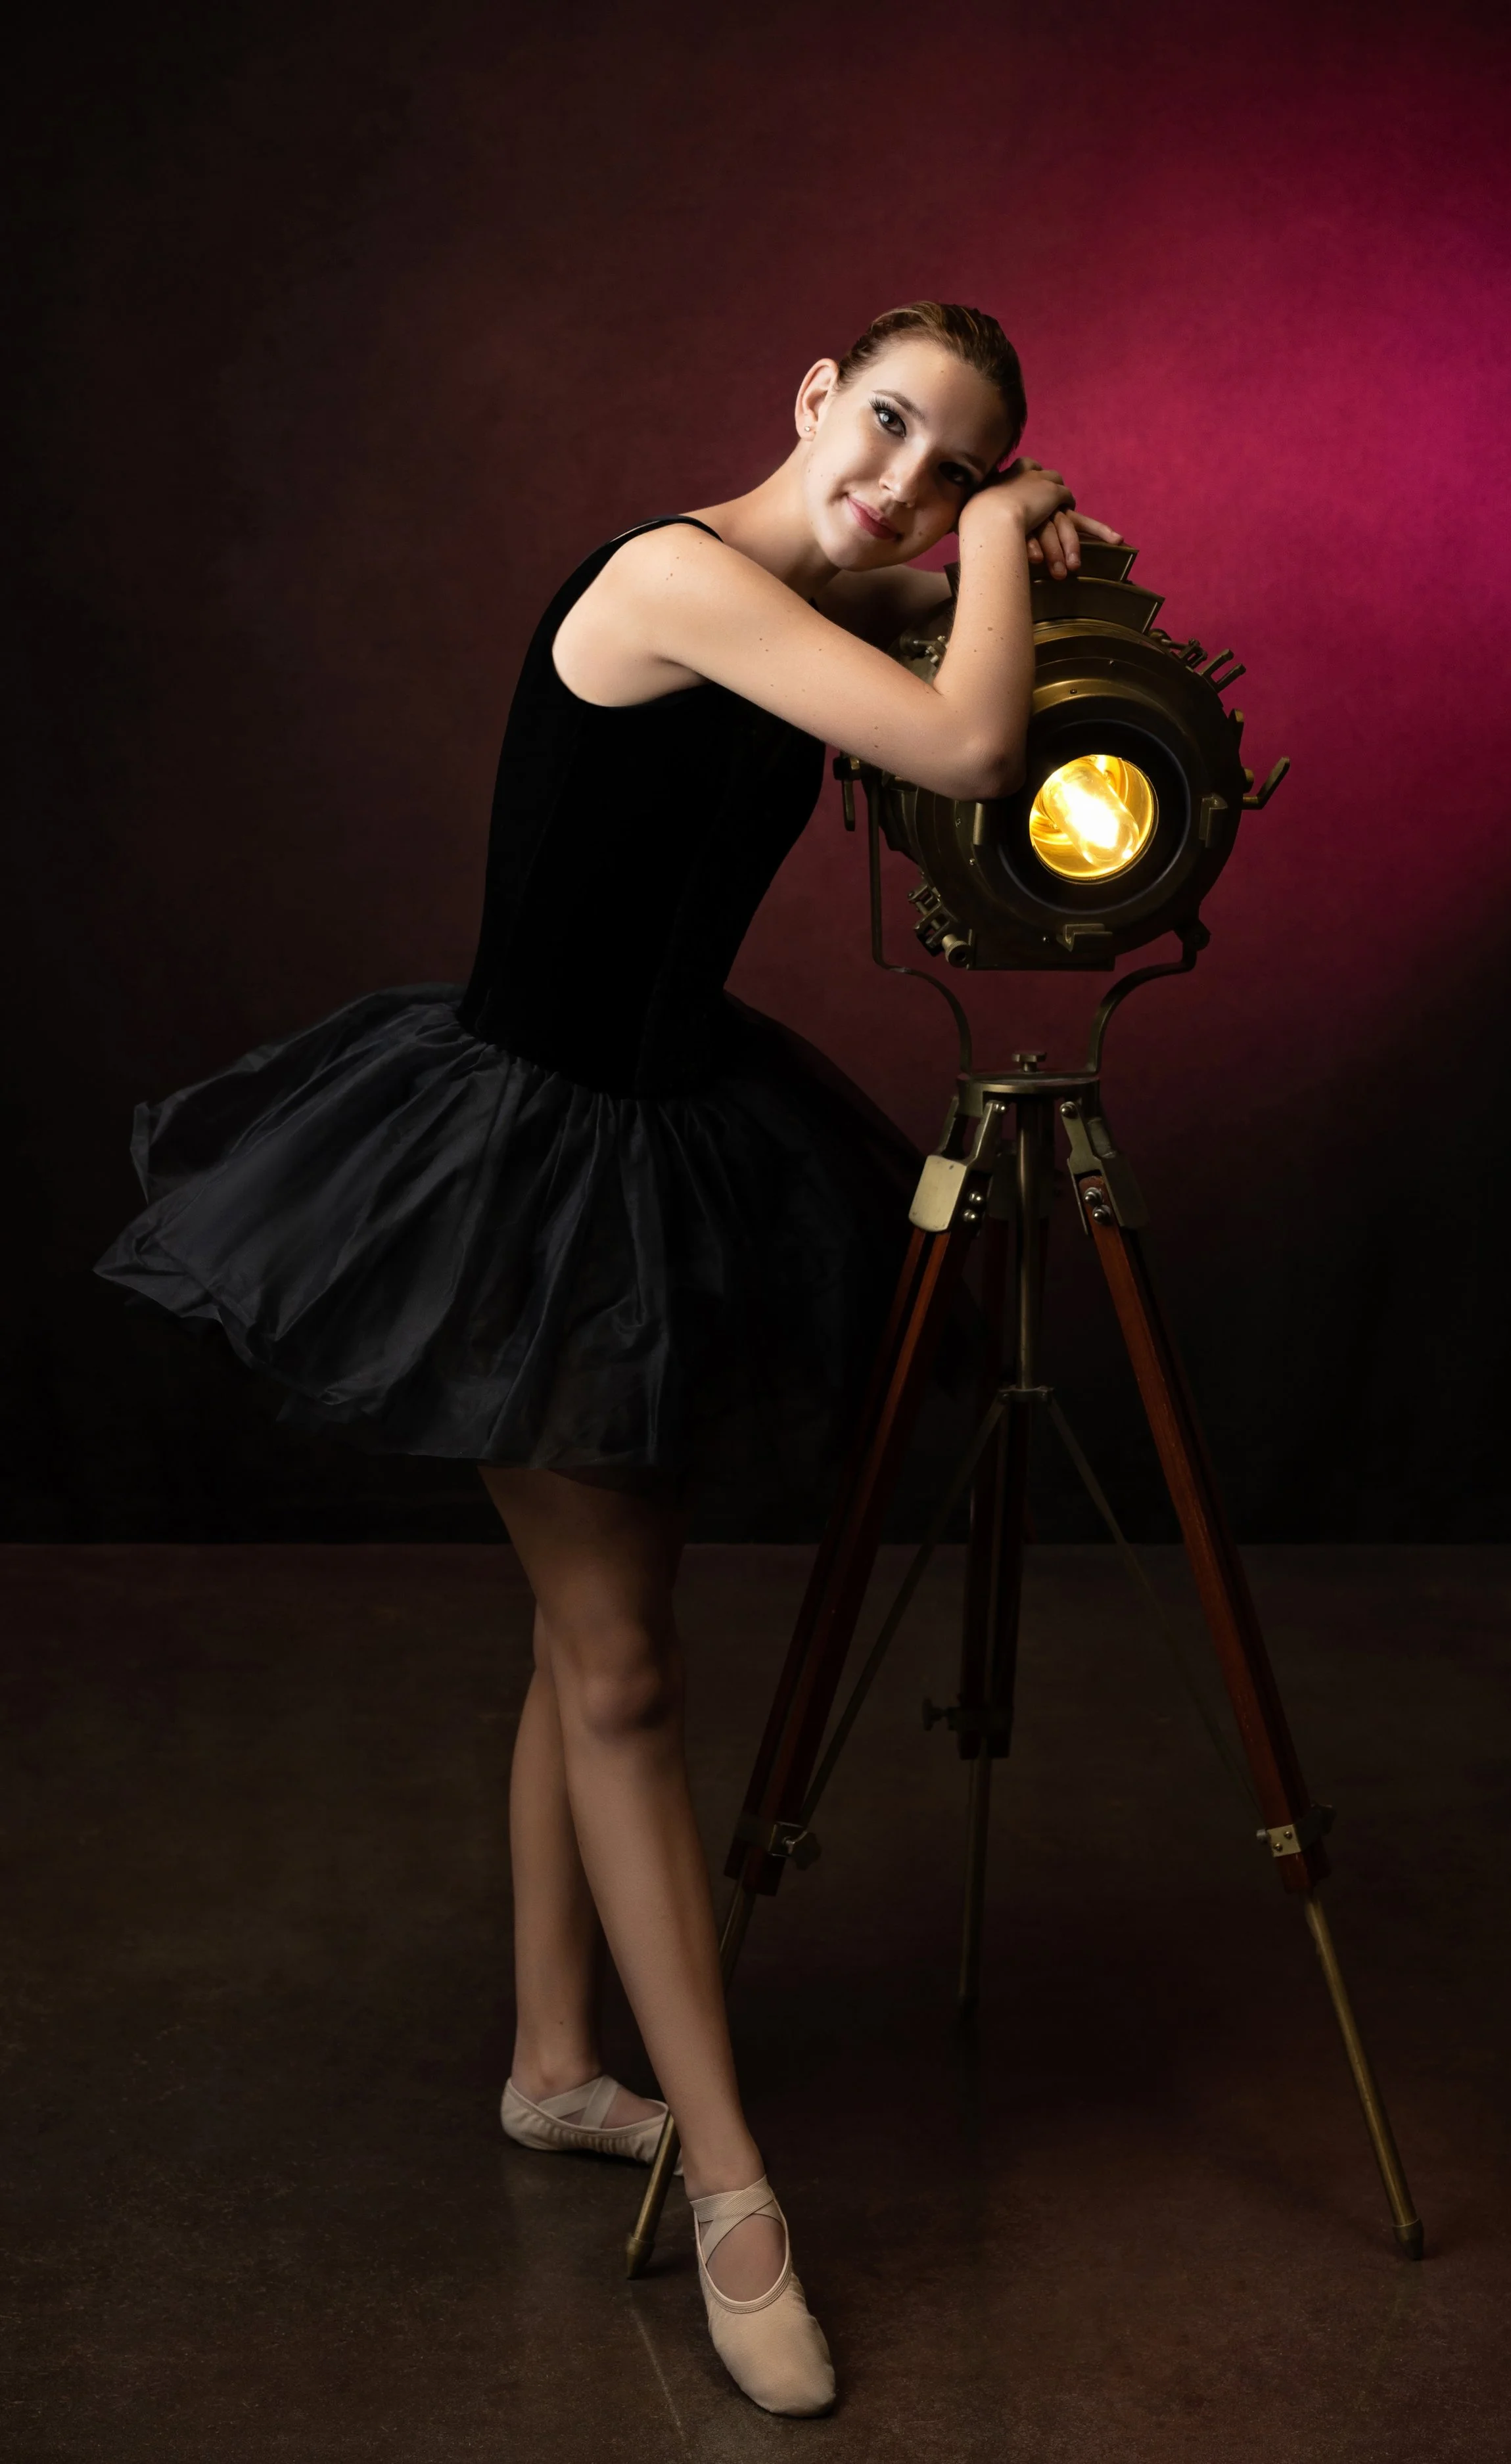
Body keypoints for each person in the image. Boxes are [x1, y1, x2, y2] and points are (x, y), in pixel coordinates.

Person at [96, 301, 1119, 2417]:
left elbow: (907, 614)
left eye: (954, 463)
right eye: (895, 426)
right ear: (809, 393)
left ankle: (556, 2065)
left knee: (592, 1641)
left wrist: (980, 558)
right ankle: (736, 2194)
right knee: (624, 1664)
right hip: (520, 1166)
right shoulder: (672, 576)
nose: (906, 484)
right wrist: (1015, 526)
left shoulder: (809, 582)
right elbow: (963, 746)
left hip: (668, 1146)